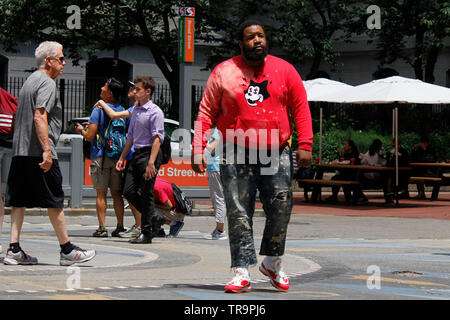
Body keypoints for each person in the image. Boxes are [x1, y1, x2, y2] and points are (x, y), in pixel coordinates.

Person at [191, 20, 313, 293]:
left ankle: (272, 261)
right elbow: (206, 111)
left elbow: (301, 107)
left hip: (276, 149)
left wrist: (305, 143)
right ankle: (242, 270)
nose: (257, 40)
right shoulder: (224, 72)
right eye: (250, 37)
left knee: (281, 206)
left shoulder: (285, 70)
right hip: (235, 150)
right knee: (238, 211)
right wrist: (198, 148)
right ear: (241, 43)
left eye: (261, 35)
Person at [4, 41, 96, 265]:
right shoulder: (46, 82)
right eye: (61, 58)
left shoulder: (29, 82)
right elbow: (39, 116)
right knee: (55, 200)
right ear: (49, 61)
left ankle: (13, 249)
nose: (64, 63)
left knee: (19, 200)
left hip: (21, 151)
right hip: (39, 152)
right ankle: (67, 250)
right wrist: (47, 150)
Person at [116, 76, 164, 244]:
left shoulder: (155, 112)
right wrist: (122, 157)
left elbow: (157, 138)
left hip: (149, 154)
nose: (134, 92)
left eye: (137, 89)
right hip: (136, 154)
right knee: (128, 190)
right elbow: (130, 136)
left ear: (147, 91)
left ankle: (147, 232)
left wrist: (151, 162)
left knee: (146, 193)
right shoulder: (135, 110)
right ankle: (153, 218)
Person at [76, 78, 126, 238]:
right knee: (117, 194)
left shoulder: (98, 109)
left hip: (100, 156)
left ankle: (102, 227)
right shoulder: (122, 110)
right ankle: (120, 226)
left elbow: (90, 136)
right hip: (118, 157)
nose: (101, 87)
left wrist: (81, 130)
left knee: (101, 194)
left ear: (110, 93)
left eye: (104, 86)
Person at [203, 127, 227, 240]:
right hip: (217, 167)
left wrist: (200, 145)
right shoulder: (219, 131)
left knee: (218, 199)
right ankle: (219, 229)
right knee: (219, 198)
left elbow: (212, 149)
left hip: (215, 168)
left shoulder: (217, 132)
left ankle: (220, 230)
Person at [325, 139, 360, 204]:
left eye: (345, 144)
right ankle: (334, 196)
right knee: (335, 178)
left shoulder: (355, 154)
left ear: (350, 146)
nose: (344, 146)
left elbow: (353, 164)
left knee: (342, 179)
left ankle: (348, 198)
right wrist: (340, 155)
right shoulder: (346, 154)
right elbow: (342, 162)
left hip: (352, 174)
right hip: (345, 173)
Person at [354, 139, 386, 204]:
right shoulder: (380, 153)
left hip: (366, 175)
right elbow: (384, 163)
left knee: (355, 180)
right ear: (380, 146)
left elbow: (362, 162)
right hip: (375, 176)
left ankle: (359, 198)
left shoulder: (368, 152)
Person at [384, 137, 410, 204]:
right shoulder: (390, 152)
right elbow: (387, 162)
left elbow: (406, 163)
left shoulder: (404, 152)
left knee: (389, 177)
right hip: (392, 172)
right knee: (386, 176)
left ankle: (390, 195)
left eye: (395, 144)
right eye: (393, 144)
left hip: (401, 173)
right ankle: (389, 196)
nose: (394, 146)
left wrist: (398, 156)